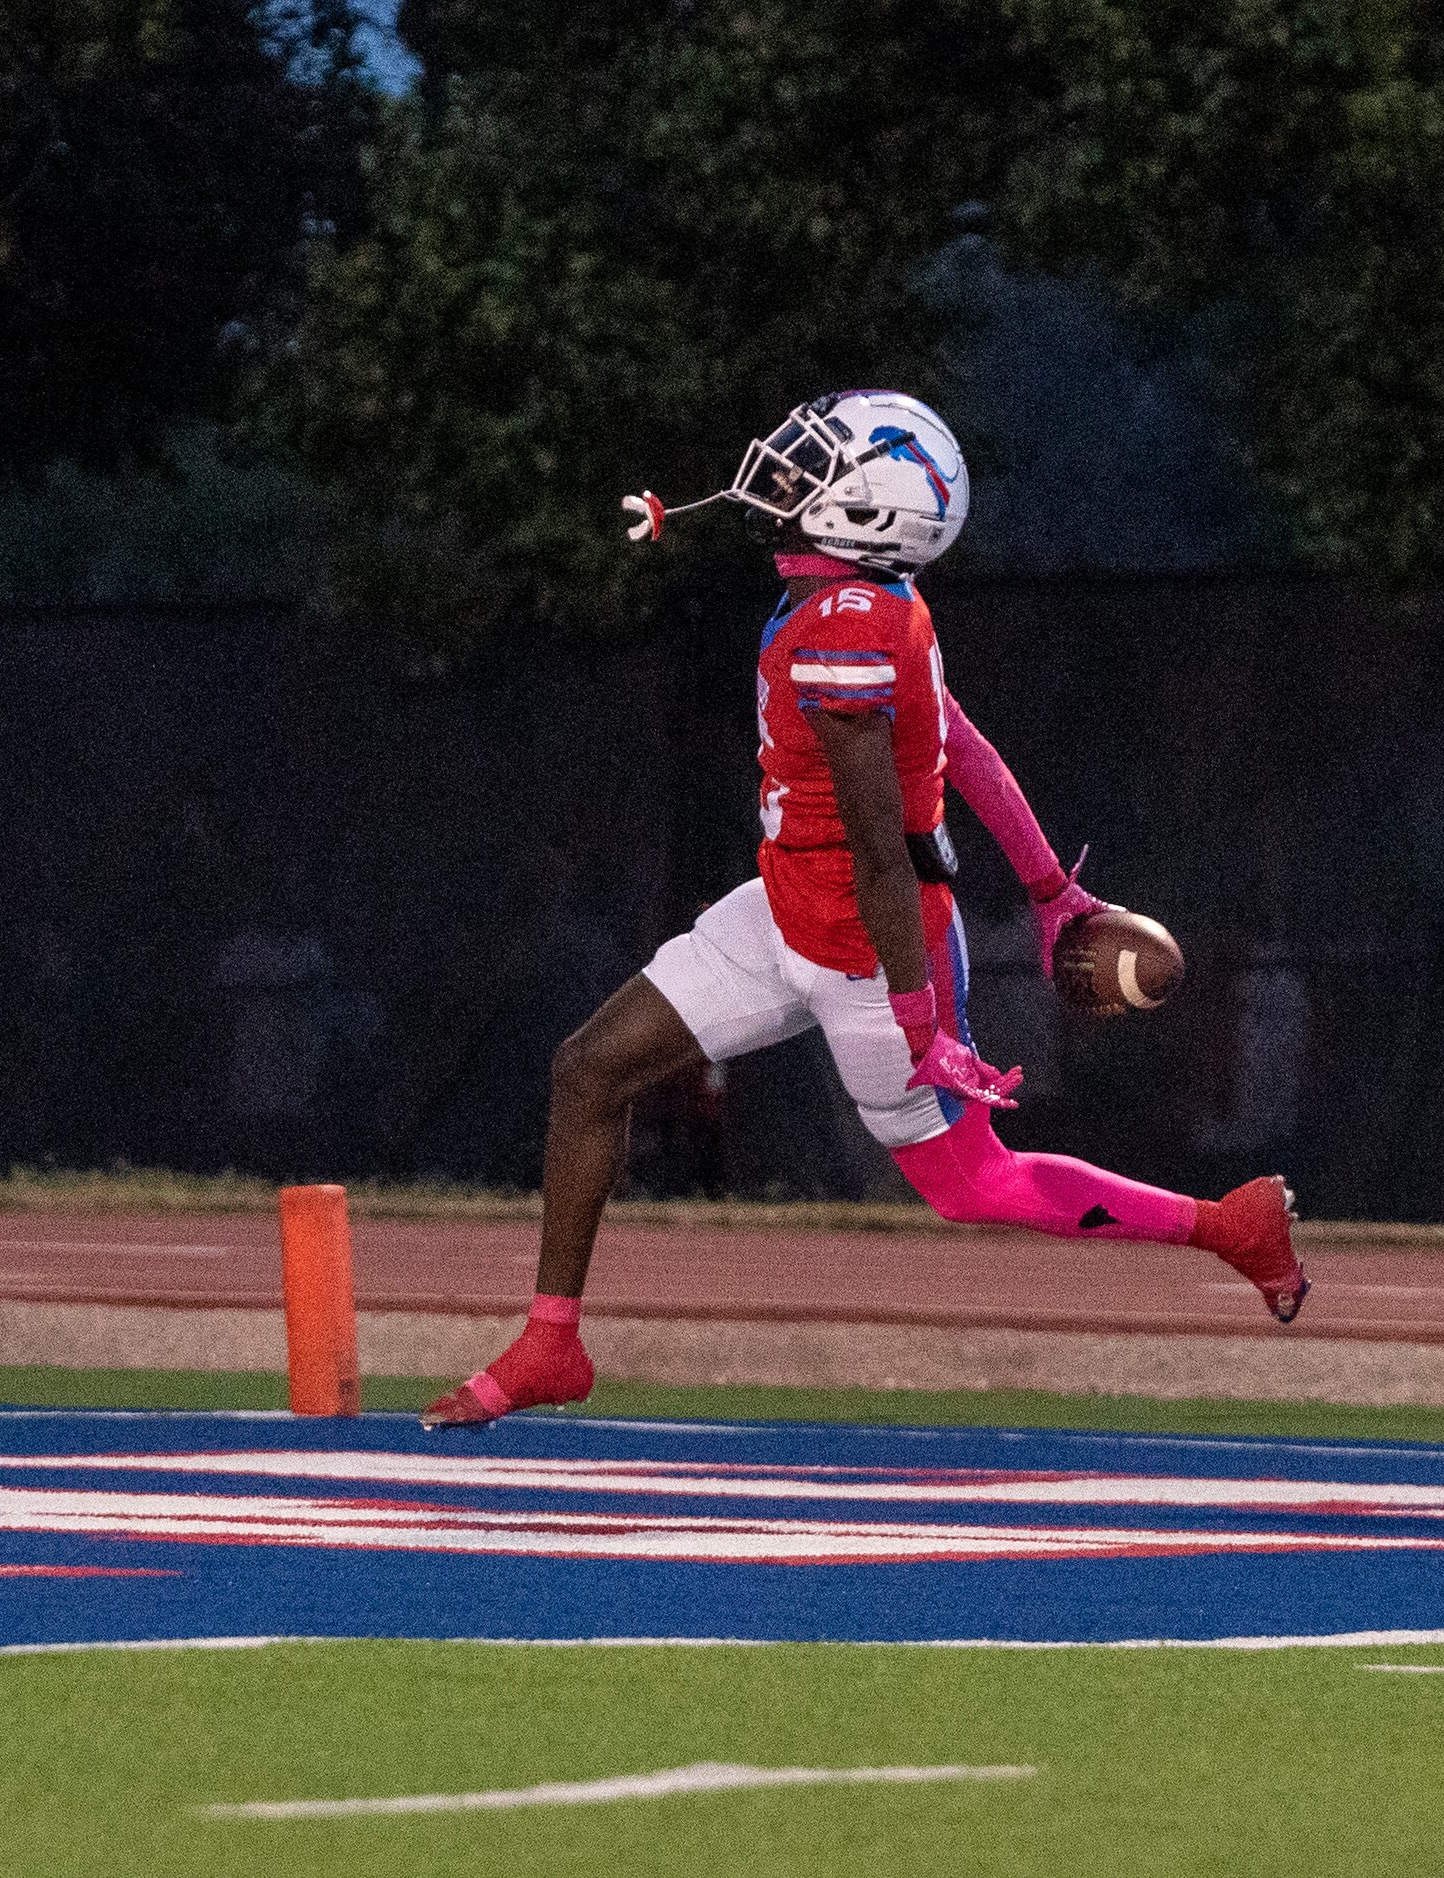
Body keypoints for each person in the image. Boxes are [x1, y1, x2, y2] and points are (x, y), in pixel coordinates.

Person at [422, 391, 1307, 1430]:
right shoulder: (877, 604)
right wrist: (1050, 888)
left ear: (870, 514)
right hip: (789, 906)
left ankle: (1230, 1227)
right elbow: (961, 744)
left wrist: (920, 1017)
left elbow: (885, 849)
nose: (781, 481)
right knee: (590, 1068)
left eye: (809, 471)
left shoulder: (849, 626)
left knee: (975, 1184)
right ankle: (551, 1342)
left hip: (869, 946)